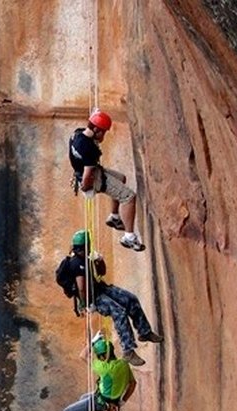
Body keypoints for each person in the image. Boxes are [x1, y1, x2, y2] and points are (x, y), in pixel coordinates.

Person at [65, 230, 163, 366]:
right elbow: (81, 287)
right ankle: (128, 350)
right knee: (119, 312)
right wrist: (87, 303)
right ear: (84, 246)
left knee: (130, 299)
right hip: (92, 297)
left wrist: (99, 261)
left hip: (100, 288)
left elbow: (101, 273)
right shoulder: (76, 264)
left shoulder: (85, 258)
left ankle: (144, 331)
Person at [37, 334, 136, 411]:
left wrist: (92, 342)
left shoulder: (104, 368)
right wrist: (122, 401)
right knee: (84, 398)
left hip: (101, 402)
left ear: (103, 357)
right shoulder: (124, 365)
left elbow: (83, 356)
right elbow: (133, 384)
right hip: (112, 400)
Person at [69, 110, 146, 252]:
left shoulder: (77, 134)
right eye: (103, 132)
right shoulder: (89, 149)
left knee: (121, 178)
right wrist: (86, 187)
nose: (103, 135)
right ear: (96, 129)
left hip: (88, 172)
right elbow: (88, 174)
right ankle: (129, 237)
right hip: (93, 178)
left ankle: (114, 216)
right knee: (129, 197)